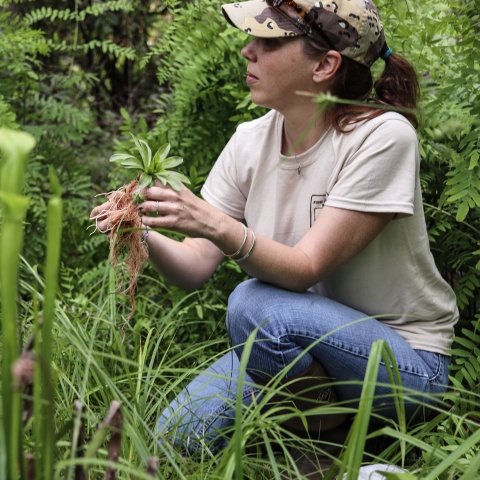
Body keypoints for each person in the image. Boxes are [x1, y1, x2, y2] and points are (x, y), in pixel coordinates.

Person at [91, 0, 459, 473]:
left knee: (252, 304)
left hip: (402, 362)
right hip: (295, 350)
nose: (248, 51)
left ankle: (330, 448)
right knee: (177, 433)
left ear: (325, 65)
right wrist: (140, 227)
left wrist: (218, 225)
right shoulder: (250, 140)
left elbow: (306, 267)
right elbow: (194, 266)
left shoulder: (382, 137)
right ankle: (331, 420)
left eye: (268, 42)